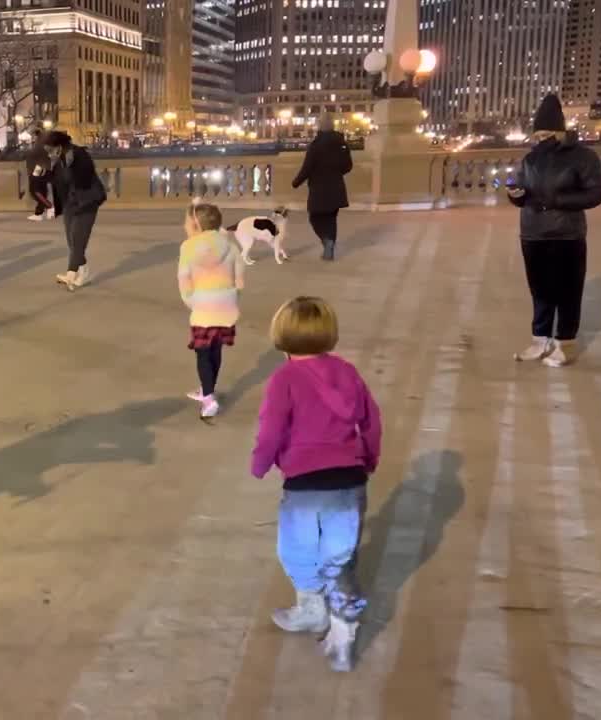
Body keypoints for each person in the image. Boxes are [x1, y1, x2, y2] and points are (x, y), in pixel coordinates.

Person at [250, 296, 382, 672]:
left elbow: (272, 427)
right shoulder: (348, 373)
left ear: (281, 334)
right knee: (339, 560)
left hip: (304, 483)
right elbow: (371, 420)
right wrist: (369, 457)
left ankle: (311, 608)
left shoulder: (284, 378)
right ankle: (343, 638)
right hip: (349, 478)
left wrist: (261, 463)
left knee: (297, 550)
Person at [507, 93, 601, 368]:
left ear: (560, 132)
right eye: (537, 135)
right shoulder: (530, 160)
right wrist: (516, 195)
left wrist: (558, 201)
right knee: (539, 290)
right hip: (532, 233)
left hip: (566, 234)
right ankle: (540, 340)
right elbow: (523, 194)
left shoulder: (584, 158)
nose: (540, 140)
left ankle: (565, 343)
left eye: (546, 134)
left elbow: (596, 193)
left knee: (568, 290)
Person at [177, 201, 244, 420]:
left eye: (187, 223)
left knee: (202, 353)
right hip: (227, 306)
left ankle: (208, 398)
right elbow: (239, 281)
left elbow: (184, 281)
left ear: (196, 225)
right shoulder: (231, 247)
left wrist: (192, 301)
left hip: (203, 307)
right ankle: (208, 388)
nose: (184, 226)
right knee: (216, 350)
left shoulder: (188, 247)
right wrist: (232, 298)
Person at [44, 130, 106, 290]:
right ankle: (83, 272)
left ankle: (71, 273)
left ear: (59, 146)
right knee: (72, 241)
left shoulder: (79, 155)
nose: (49, 153)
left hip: (87, 201)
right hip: (70, 204)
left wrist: (70, 167)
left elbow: (84, 179)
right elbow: (59, 185)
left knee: (79, 239)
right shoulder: (57, 161)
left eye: (51, 149)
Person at [291, 114, 352, 261]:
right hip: (336, 187)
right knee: (331, 218)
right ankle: (329, 244)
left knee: (315, 218)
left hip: (319, 189)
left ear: (320, 127)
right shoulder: (342, 143)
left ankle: (327, 242)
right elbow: (348, 166)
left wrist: (296, 182)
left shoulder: (316, 145)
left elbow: (307, 167)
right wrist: (336, 173)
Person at [26, 129, 54, 221]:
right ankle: (39, 213)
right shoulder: (44, 142)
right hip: (44, 167)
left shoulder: (39, 144)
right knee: (42, 190)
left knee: (34, 190)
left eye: (31, 135)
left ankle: (49, 206)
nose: (31, 137)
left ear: (35, 134)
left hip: (39, 168)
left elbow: (33, 155)